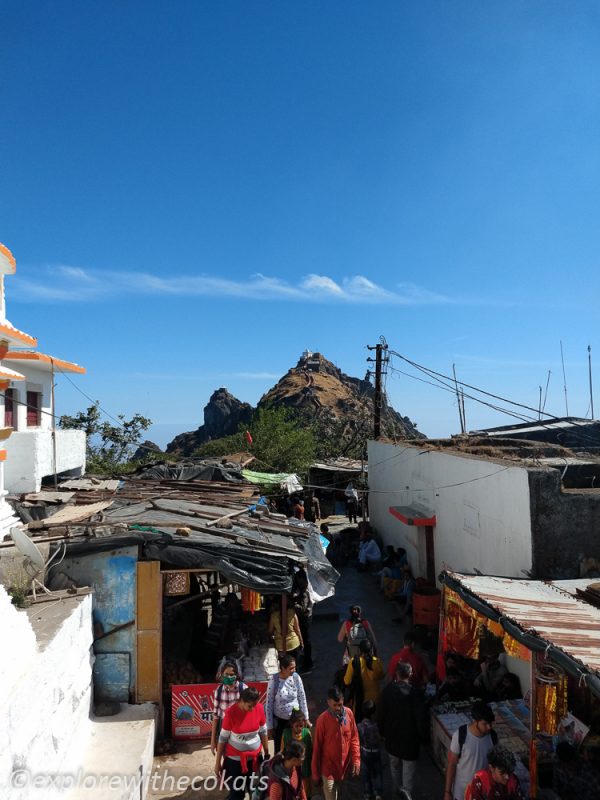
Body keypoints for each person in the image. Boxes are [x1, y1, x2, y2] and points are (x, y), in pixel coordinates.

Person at [377, 661, 427, 798]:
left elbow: (380, 715)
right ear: (410, 674)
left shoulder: (387, 691)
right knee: (408, 776)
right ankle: (406, 795)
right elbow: (421, 719)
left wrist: (382, 733)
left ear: (396, 674)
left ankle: (396, 790)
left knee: (394, 768)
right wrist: (424, 738)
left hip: (392, 740)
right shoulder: (416, 694)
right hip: (410, 743)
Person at [215, 686, 269, 800]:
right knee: (237, 794)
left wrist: (267, 753)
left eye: (255, 705)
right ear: (242, 701)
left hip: (255, 759)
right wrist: (217, 762)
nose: (252, 708)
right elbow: (222, 738)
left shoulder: (259, 708)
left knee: (255, 791)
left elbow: (263, 731)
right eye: (250, 706)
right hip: (235, 762)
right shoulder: (230, 713)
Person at [311, 686, 360, 800]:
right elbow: (317, 748)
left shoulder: (349, 714)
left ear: (343, 700)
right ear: (328, 702)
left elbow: (354, 738)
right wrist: (315, 773)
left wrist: (356, 760)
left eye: (340, 704)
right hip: (328, 769)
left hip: (345, 768)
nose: (338, 708)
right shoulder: (322, 720)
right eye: (335, 705)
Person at [444, 701, 497, 800]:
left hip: (482, 794)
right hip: (461, 794)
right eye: (485, 724)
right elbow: (452, 764)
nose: (489, 727)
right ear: (475, 721)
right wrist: (447, 792)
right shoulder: (460, 735)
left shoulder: (492, 737)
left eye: (490, 723)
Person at [266, 654, 310, 752]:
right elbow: (269, 704)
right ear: (283, 668)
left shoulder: (296, 677)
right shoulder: (274, 680)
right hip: (280, 722)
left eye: (294, 667)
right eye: (291, 668)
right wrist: (269, 726)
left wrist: (306, 718)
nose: (294, 670)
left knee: (296, 748)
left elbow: (302, 697)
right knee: (280, 749)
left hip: (295, 720)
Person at [211, 660, 247, 755]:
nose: (229, 677)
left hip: (241, 731)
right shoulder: (218, 691)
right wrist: (213, 740)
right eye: (226, 674)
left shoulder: (244, 689)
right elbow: (215, 717)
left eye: (232, 674)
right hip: (224, 731)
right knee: (226, 759)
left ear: (237, 675)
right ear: (222, 674)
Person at [343, 640, 385, 721]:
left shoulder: (354, 661)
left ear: (359, 649)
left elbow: (347, 681)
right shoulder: (376, 661)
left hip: (360, 700)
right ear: (371, 649)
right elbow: (382, 676)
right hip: (375, 699)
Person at [281, 708, 313, 798]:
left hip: (305, 768)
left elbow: (311, 751)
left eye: (301, 726)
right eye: (297, 726)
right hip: (291, 771)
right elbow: (282, 752)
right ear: (291, 725)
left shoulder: (307, 734)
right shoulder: (286, 734)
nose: (300, 728)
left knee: (305, 791)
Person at [357, 700, 383, 800]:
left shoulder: (360, 726)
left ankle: (367, 793)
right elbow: (380, 738)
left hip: (365, 753)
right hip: (376, 752)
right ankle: (378, 794)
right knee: (377, 773)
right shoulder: (376, 725)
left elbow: (358, 740)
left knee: (366, 774)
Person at [292, 570, 314, 673]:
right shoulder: (301, 588)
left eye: (298, 579)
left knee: (305, 640)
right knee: (305, 639)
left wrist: (294, 604)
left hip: (305, 618)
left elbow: (303, 608)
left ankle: (308, 663)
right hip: (304, 617)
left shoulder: (306, 590)